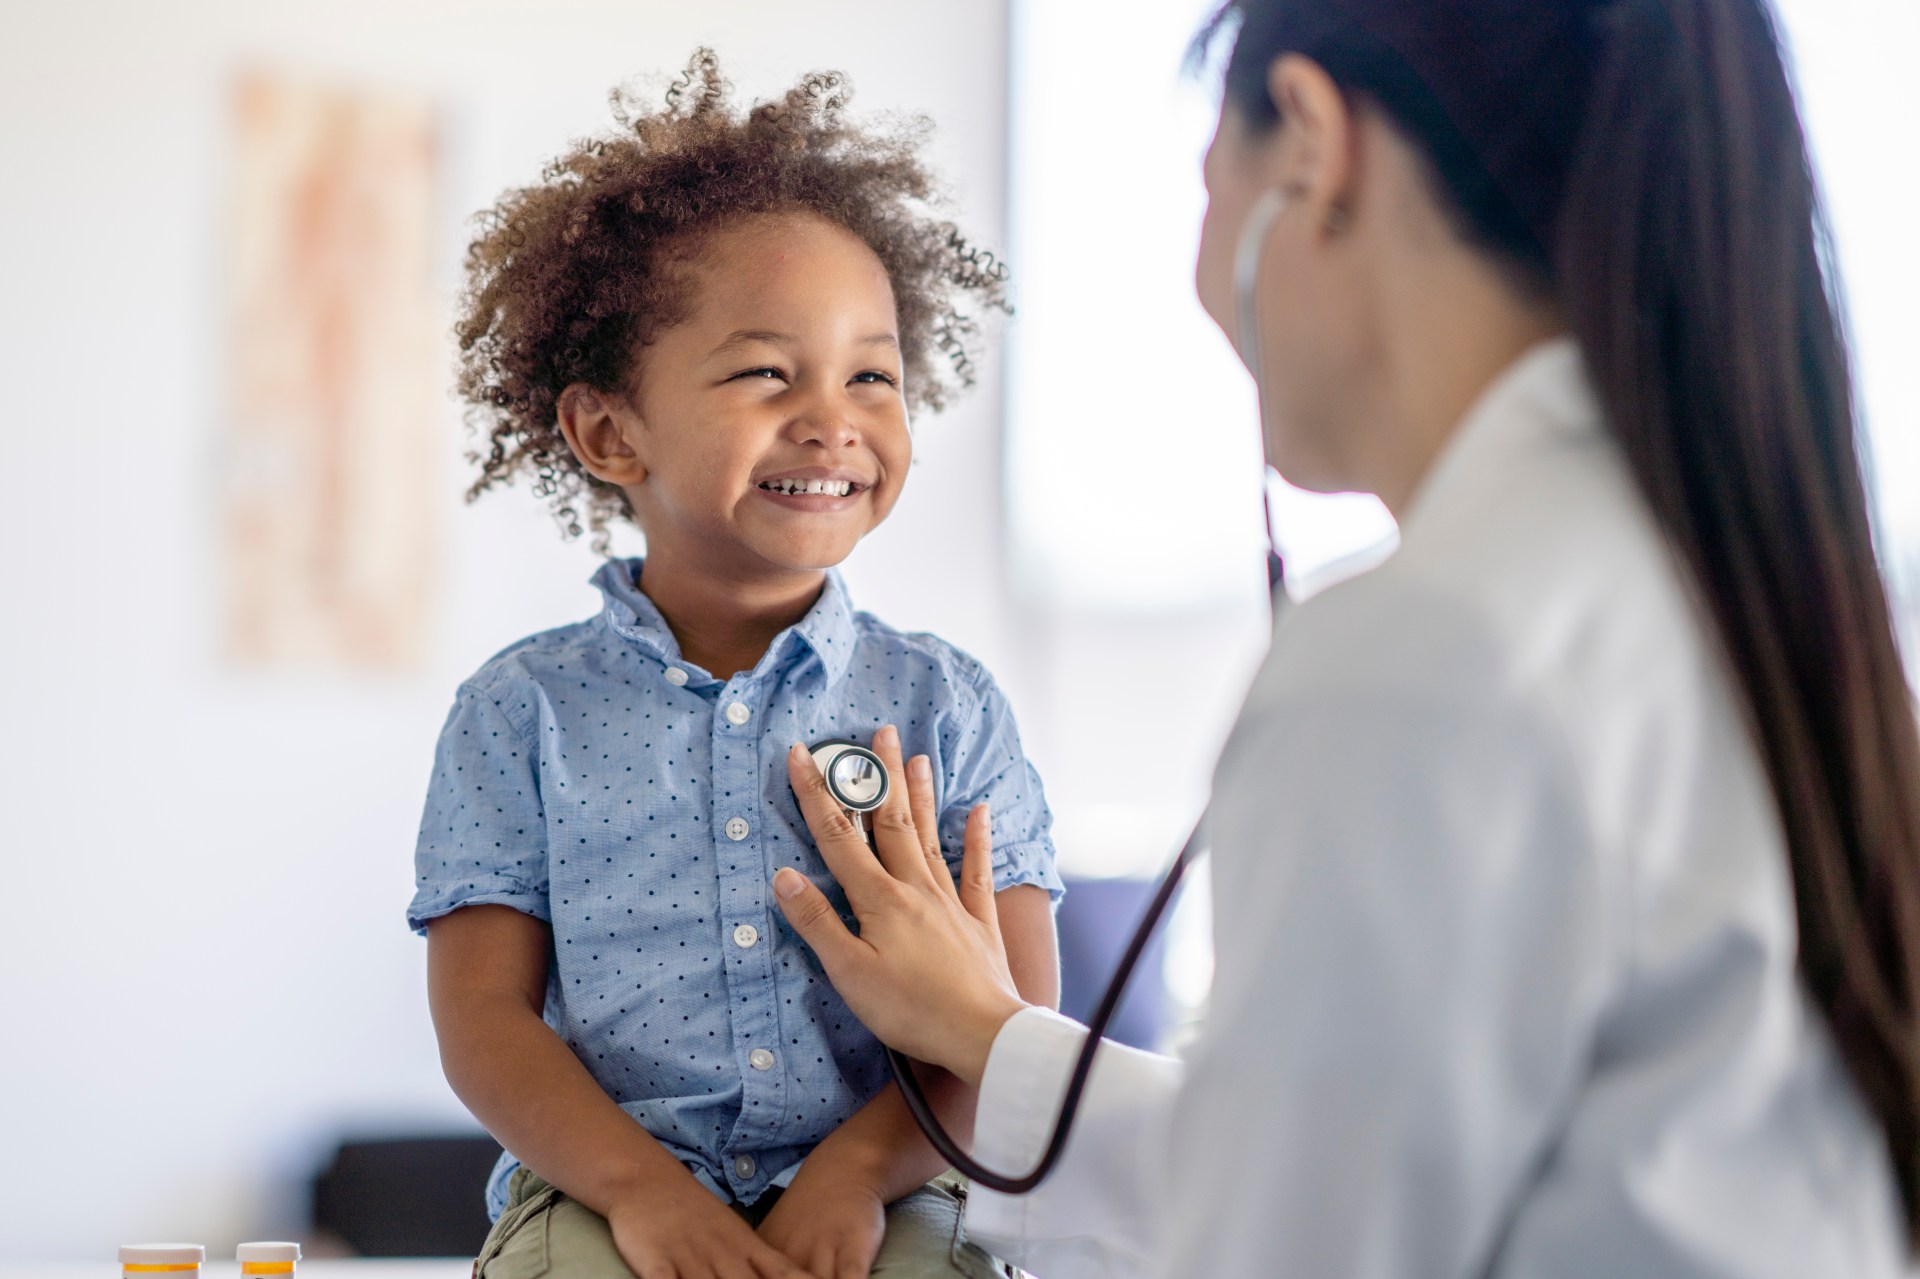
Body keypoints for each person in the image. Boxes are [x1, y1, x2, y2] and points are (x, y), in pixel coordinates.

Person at [768, 1, 1920, 1275]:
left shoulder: (1426, 653)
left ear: (1312, 148)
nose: (1207, 287)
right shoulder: (1705, 576)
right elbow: (1376, 1153)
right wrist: (997, 1037)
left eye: (1210, 190)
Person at [407, 53, 1062, 1279]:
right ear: (610, 431)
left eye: (872, 373)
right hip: (608, 1195)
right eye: (769, 372)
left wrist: (859, 1174)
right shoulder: (520, 712)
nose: (832, 417)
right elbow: (485, 1022)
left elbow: (1014, 1022)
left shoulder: (947, 706)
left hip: (893, 1183)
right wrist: (643, 1195)